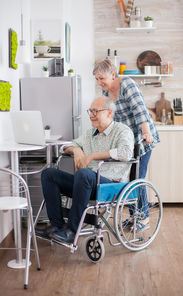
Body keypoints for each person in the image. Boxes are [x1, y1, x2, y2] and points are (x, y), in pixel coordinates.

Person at [36, 96, 134, 244]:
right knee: (49, 174)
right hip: (85, 184)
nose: (91, 115)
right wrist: (76, 150)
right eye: (90, 111)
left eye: (96, 111)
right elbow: (66, 145)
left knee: (83, 173)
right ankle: (57, 226)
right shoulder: (90, 133)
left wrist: (93, 156)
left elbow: (126, 153)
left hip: (111, 186)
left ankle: (72, 231)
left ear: (109, 112)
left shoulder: (122, 130)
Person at [93, 59, 160, 231]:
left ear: (113, 74)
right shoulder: (106, 92)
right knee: (128, 178)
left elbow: (140, 110)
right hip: (127, 140)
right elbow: (110, 116)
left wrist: (146, 133)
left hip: (142, 138)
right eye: (97, 79)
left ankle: (143, 218)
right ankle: (133, 216)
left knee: (137, 178)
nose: (99, 82)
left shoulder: (127, 85)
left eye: (102, 78)